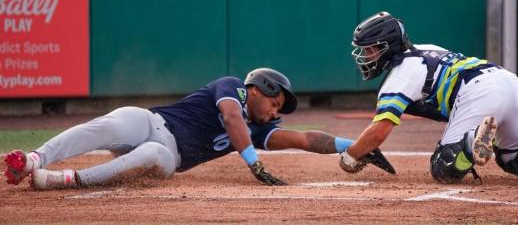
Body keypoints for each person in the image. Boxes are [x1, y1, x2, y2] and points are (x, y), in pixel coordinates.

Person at [4, 68, 392, 190]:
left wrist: (356, 146)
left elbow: (306, 139)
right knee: (118, 119)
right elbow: (231, 118)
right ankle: (35, 158)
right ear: (258, 89)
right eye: (274, 103)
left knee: (155, 156)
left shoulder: (257, 129)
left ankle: (61, 179)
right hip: (154, 122)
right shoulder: (232, 88)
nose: (275, 112)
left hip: (168, 154)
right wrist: (254, 164)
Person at [338, 12, 518, 183]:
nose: (366, 56)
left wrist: (350, 156)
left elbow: (379, 130)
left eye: (372, 49)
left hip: (478, 91)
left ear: (389, 46)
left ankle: (469, 142)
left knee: (443, 169)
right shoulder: (425, 48)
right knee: (512, 158)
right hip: (509, 81)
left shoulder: (399, 76)